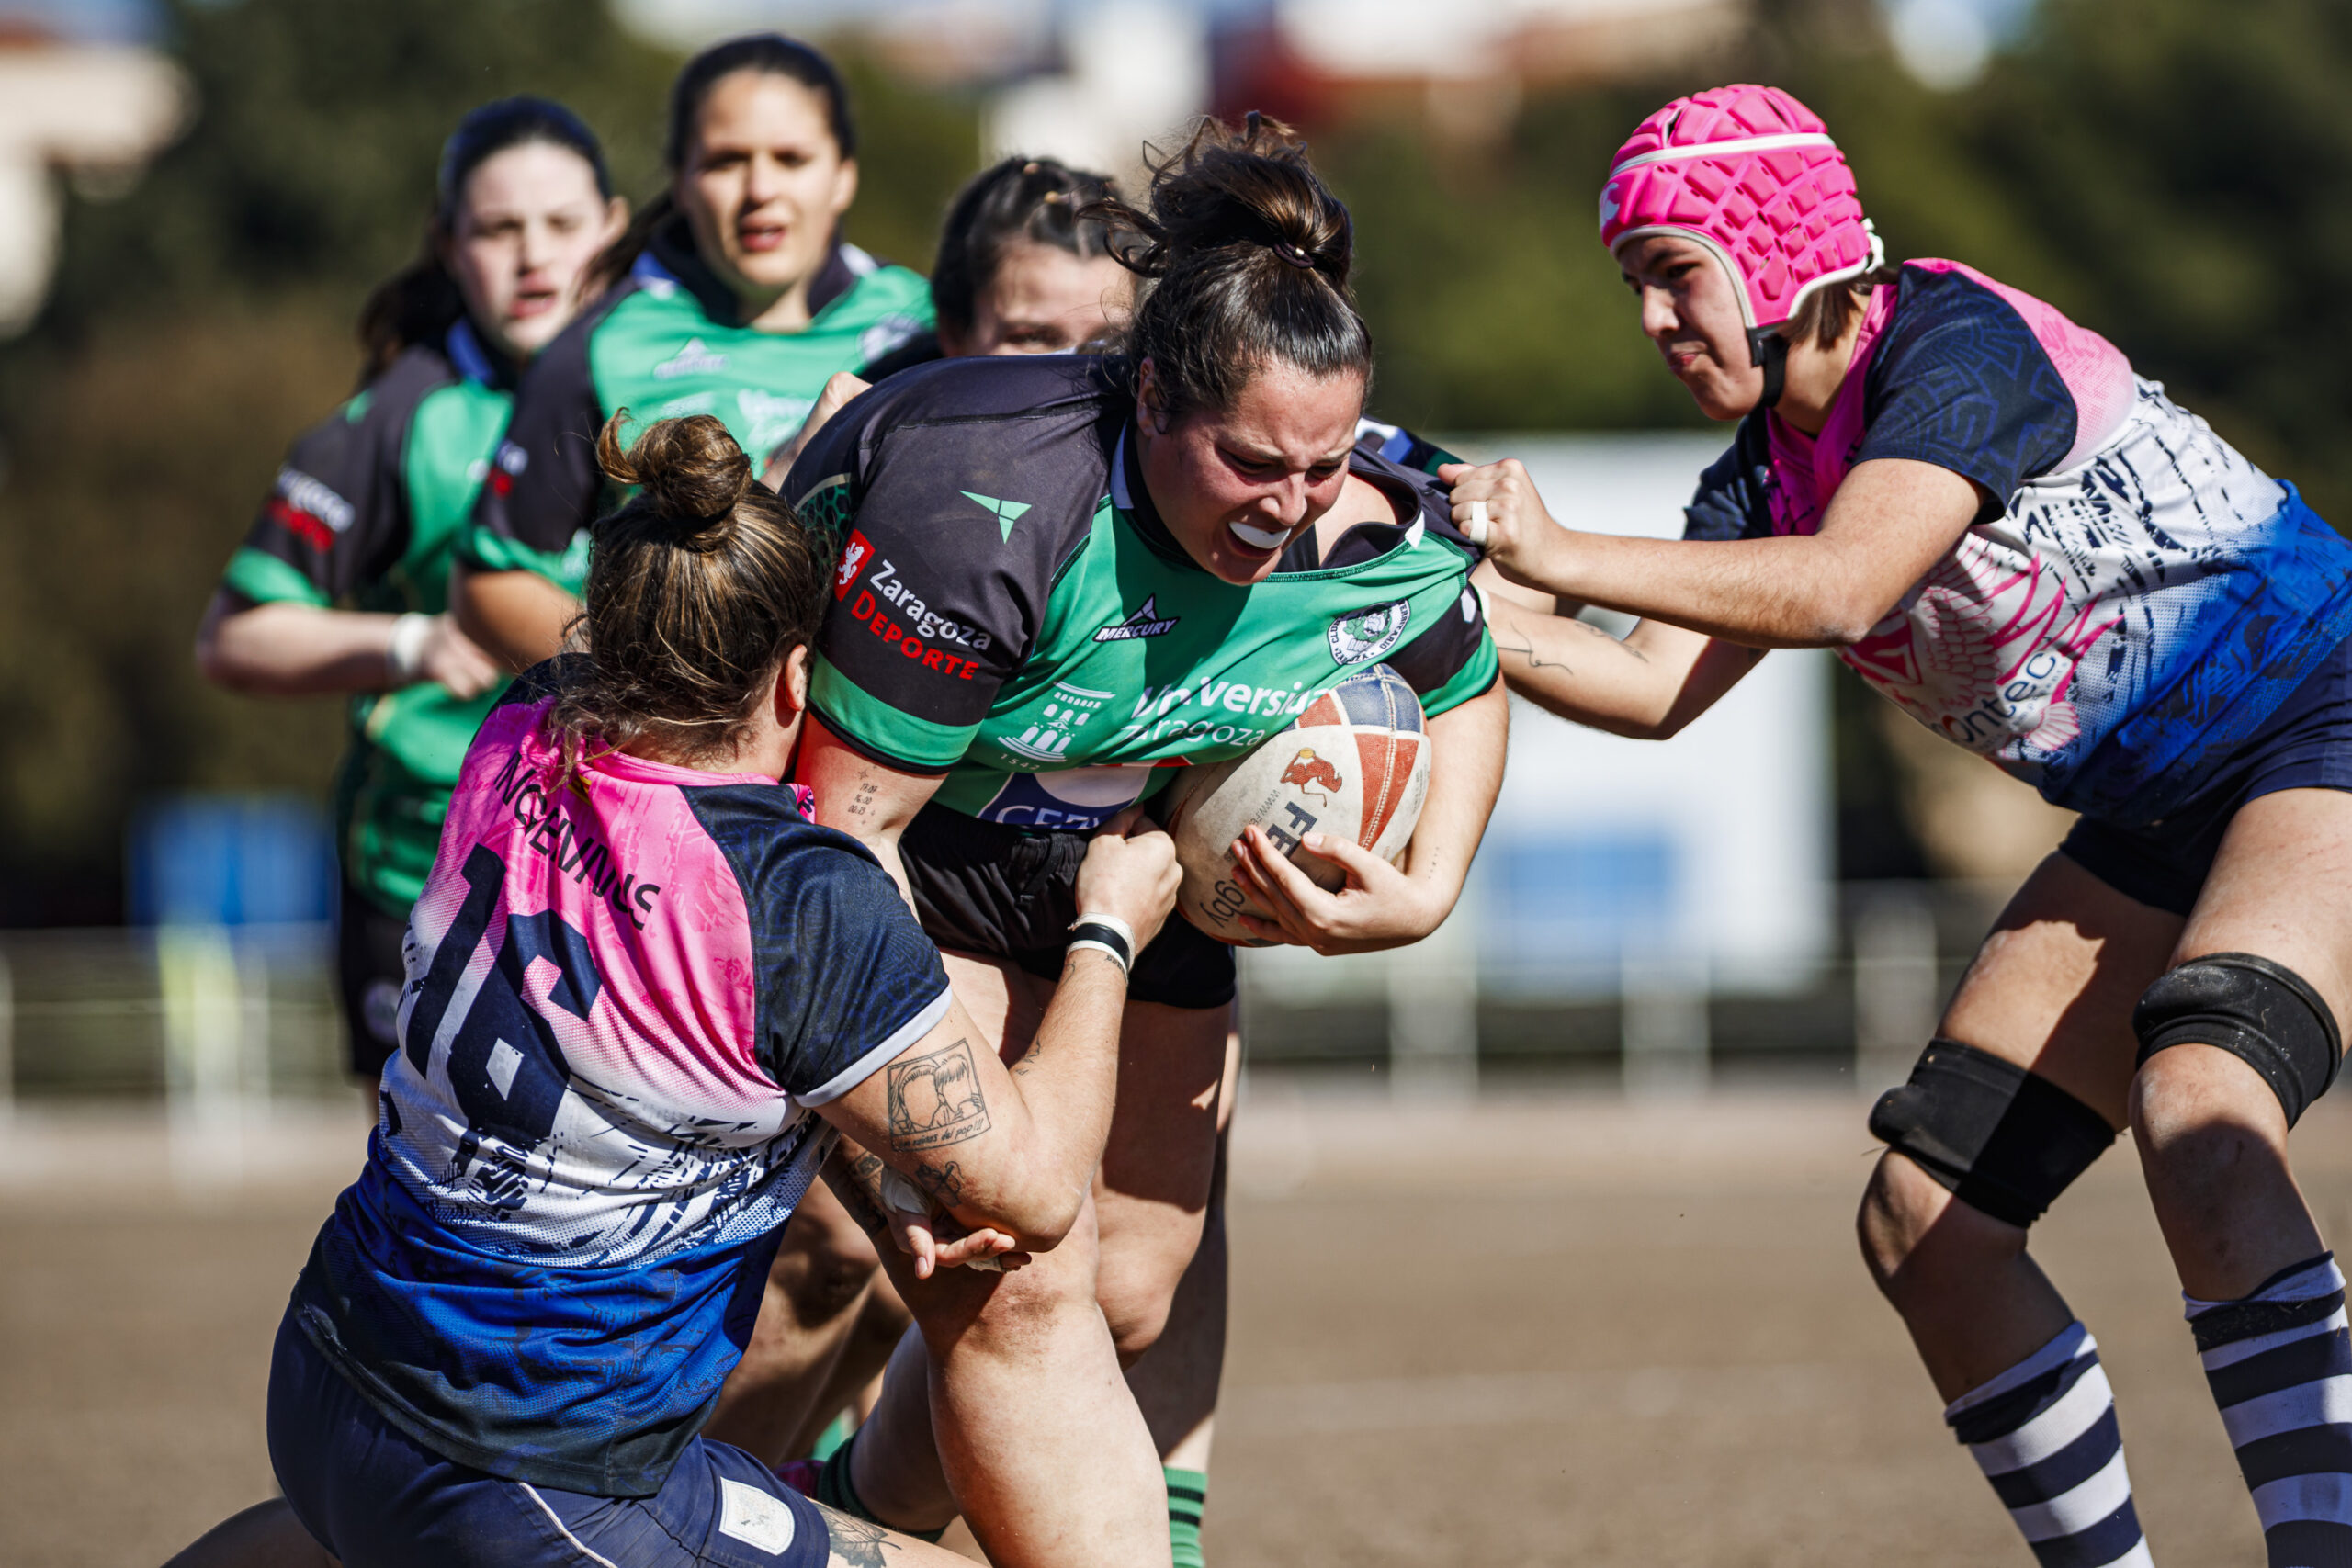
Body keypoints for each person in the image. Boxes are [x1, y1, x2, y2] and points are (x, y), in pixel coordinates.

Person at [1455, 83, 2352, 1568]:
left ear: (1774, 254)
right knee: (1926, 1221)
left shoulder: (1952, 347)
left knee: (2201, 1115)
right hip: (2152, 812)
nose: (1655, 321)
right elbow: (1650, 684)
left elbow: (1843, 587)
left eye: (1674, 274)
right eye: (1636, 289)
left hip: (2319, 718)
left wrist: (1552, 547)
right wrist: (1451, 611)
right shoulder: (1765, 471)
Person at [169, 412, 1185, 1568]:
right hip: (534, 1486)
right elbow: (1039, 1193)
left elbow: (685, 1051)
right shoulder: (792, 895)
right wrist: (1109, 929)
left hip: (326, 1381)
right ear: (796, 678)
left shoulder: (521, 725)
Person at [781, 112, 1508, 1551]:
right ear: (1157, 393)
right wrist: (898, 1146)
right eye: (1252, 463)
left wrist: (1427, 890)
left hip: (1134, 860)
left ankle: (837, 1514)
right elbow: (840, 839)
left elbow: (1468, 674)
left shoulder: (1363, 523)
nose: (1288, 508)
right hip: (918, 856)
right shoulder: (989, 506)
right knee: (1010, 1262)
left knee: (1125, 1290)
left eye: (1321, 465)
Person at [194, 96, 628, 1093]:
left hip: (627, 867)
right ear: (446, 244)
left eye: (561, 224)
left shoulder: (665, 379)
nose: (534, 257)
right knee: (430, 1172)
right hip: (427, 871)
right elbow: (231, 638)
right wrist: (411, 642)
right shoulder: (397, 419)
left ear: (613, 227)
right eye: (497, 228)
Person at [451, 31, 931, 671]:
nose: (760, 188)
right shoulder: (604, 341)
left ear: (844, 176)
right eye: (726, 161)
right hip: (689, 729)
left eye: (791, 158)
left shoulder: (922, 325)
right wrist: (649, 676)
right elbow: (488, 581)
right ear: (680, 180)